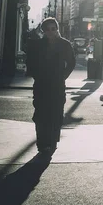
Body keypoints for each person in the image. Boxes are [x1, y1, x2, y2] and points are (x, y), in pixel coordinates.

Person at [25, 18, 76, 157]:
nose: (51, 32)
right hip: (41, 85)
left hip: (57, 85)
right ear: (43, 31)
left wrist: (63, 76)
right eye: (47, 29)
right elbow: (30, 62)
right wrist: (36, 75)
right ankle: (42, 144)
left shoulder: (64, 44)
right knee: (41, 115)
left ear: (57, 29)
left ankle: (53, 141)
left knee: (56, 114)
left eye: (53, 29)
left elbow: (71, 62)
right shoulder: (38, 45)